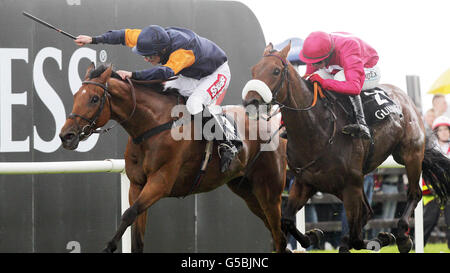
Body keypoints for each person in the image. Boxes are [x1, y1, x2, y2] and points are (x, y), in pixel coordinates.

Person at [74, 25, 239, 172]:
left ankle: (228, 143)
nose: (146, 59)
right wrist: (93, 39)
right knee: (160, 88)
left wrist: (133, 74)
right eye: (144, 55)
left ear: (162, 51)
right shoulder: (151, 38)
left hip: (216, 74)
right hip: (192, 73)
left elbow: (164, 73)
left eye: (149, 56)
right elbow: (123, 35)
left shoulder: (183, 50)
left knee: (194, 103)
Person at [299, 31, 381, 140]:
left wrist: (324, 83)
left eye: (317, 62)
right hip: (341, 68)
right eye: (310, 62)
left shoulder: (349, 47)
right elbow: (307, 77)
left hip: (369, 68)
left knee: (340, 78)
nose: (313, 65)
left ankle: (361, 123)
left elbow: (354, 87)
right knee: (313, 77)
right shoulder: (317, 52)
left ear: (327, 55)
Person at [422, 115, 450, 247]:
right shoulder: (430, 149)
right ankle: (417, 246)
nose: (444, 132)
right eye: (441, 130)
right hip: (432, 192)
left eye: (446, 129)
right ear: (436, 132)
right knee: (428, 221)